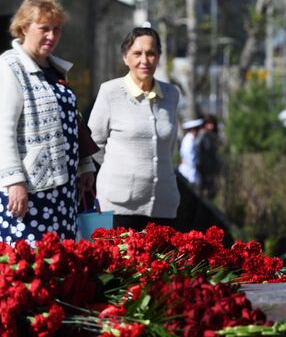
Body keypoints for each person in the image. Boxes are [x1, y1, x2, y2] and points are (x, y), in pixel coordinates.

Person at [0, 0, 95, 246]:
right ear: (24, 28)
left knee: (62, 262)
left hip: (63, 191)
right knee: (29, 265)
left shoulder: (55, 68)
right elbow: (4, 130)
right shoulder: (10, 67)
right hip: (30, 191)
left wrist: (85, 164)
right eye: (44, 29)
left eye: (57, 29)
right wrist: (14, 182)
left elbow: (71, 122)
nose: (51, 36)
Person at [88, 26, 180, 231]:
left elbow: (170, 144)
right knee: (120, 263)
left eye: (151, 53)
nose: (144, 60)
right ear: (125, 58)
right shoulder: (110, 92)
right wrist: (120, 169)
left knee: (163, 263)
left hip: (164, 204)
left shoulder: (172, 94)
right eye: (137, 53)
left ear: (158, 57)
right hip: (119, 205)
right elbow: (93, 143)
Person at [196, 114, 222, 199]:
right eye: (208, 124)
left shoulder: (213, 136)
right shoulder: (202, 135)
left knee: (211, 192)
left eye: (212, 124)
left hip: (211, 170)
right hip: (204, 170)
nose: (211, 126)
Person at [178, 118, 203, 190]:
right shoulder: (190, 141)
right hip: (188, 173)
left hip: (189, 172)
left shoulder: (190, 139)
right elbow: (191, 159)